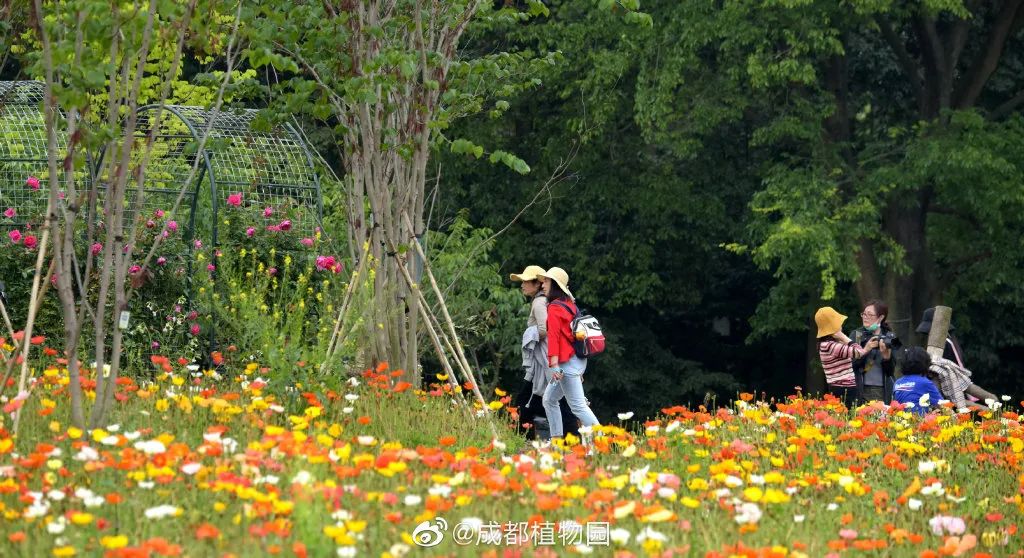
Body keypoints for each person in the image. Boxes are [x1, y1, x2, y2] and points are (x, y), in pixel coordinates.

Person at [510, 265, 578, 440]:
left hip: (546, 361)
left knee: (531, 401)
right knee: (541, 400)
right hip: (549, 360)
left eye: (526, 281)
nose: (522, 285)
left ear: (537, 284)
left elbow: (545, 329)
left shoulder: (539, 302)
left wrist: (529, 335)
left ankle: (527, 438)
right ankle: (565, 438)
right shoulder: (545, 301)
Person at [539, 267, 600, 444]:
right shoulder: (570, 305)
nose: (542, 285)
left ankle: (601, 440)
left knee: (578, 406)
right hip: (577, 360)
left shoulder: (554, 307)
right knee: (549, 400)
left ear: (555, 285)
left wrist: (554, 365)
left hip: (566, 364)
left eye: (546, 281)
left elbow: (554, 337)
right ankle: (557, 442)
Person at [814, 307, 867, 405]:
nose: (841, 325)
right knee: (847, 413)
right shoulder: (831, 346)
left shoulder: (826, 344)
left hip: (838, 387)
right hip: (844, 389)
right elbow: (860, 352)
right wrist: (844, 337)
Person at [851, 299, 900, 403]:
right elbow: (851, 365)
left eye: (870, 315)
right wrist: (865, 350)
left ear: (881, 317)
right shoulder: (857, 335)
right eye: (864, 314)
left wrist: (887, 358)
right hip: (861, 389)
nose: (865, 317)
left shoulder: (889, 336)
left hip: (883, 391)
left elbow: (890, 372)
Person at [891, 347, 944, 415]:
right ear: (925, 364)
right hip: (917, 420)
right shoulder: (925, 383)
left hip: (899, 419)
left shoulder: (897, 382)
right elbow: (943, 405)